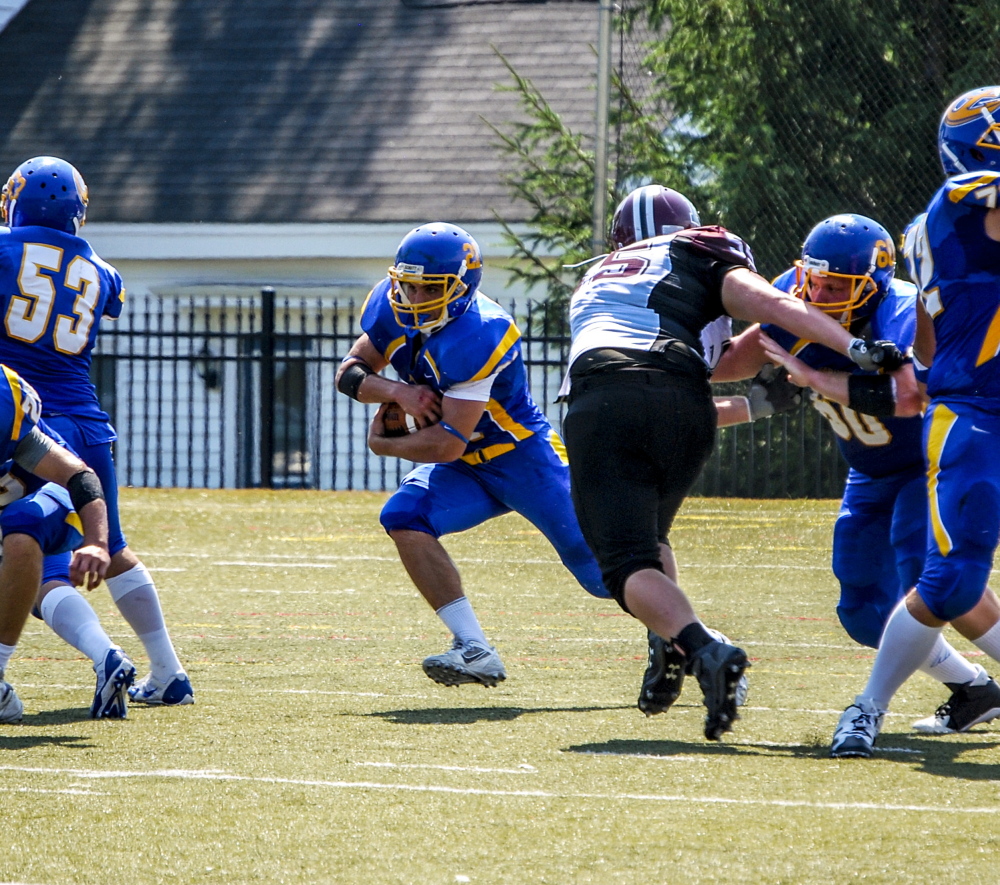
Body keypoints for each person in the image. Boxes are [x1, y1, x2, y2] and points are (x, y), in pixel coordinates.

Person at [561, 183, 905, 741]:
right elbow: (763, 315)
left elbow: (638, 375)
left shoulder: (597, 278)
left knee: (626, 563)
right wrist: (854, 348)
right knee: (650, 541)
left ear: (620, 239)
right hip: (685, 410)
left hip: (605, 397)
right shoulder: (703, 249)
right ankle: (669, 640)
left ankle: (701, 647)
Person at [712, 212, 1000, 735]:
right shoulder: (791, 296)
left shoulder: (900, 309)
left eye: (835, 284)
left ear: (872, 285)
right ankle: (974, 688)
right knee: (864, 610)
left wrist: (813, 377)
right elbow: (736, 359)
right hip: (868, 472)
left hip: (927, 463)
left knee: (932, 577)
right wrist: (682, 360)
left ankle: (882, 702)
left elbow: (912, 397)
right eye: (813, 278)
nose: (817, 293)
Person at [336, 222, 608, 688]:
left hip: (521, 456)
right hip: (466, 465)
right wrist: (401, 392)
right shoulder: (389, 303)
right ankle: (474, 648)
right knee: (404, 517)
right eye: (407, 284)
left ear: (462, 287)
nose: (413, 298)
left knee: (596, 569)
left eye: (427, 288)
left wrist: (384, 444)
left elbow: (446, 444)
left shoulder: (480, 331)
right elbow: (351, 372)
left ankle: (686, 636)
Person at [830, 86, 1000, 757]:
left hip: (962, 395)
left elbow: (927, 339)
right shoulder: (959, 203)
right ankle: (867, 706)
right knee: (951, 580)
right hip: (979, 414)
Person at [0, 157, 192, 706]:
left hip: (33, 423)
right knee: (112, 546)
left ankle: (91, 660)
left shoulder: (4, 248)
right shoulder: (104, 272)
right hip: (89, 424)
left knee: (23, 544)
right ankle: (169, 672)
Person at [0, 367, 118, 722]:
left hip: (48, 503)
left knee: (22, 528)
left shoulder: (19, 431)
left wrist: (97, 542)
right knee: (44, 588)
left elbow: (79, 478)